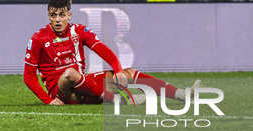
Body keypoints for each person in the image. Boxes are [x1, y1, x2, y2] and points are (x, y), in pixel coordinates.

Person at [24, 0, 201, 105]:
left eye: (61, 15)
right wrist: (48, 100)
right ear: (48, 15)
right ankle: (120, 100)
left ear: (69, 15)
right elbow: (29, 76)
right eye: (53, 15)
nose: (57, 20)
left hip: (83, 84)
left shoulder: (79, 31)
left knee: (128, 72)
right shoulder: (39, 38)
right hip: (61, 90)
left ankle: (182, 95)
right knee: (70, 73)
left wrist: (117, 69)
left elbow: (105, 51)